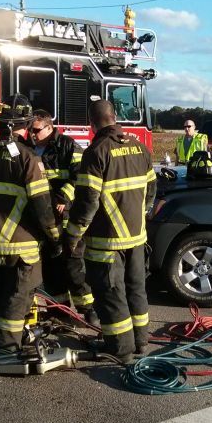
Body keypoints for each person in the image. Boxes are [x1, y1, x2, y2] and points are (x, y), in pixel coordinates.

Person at [0, 94, 60, 360]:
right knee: (15, 300)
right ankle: (5, 350)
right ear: (26, 125)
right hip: (22, 249)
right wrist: (54, 238)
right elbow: (42, 207)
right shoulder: (28, 159)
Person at [65, 100, 156, 361]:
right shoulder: (140, 147)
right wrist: (139, 217)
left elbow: (87, 201)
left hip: (107, 241)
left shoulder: (96, 152)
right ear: (115, 117)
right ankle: (140, 341)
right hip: (137, 237)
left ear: (91, 124)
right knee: (136, 288)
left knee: (111, 293)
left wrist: (73, 234)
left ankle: (119, 349)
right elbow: (151, 190)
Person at [29, 110, 98, 326]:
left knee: (73, 267)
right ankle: (60, 313)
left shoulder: (68, 146)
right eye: (31, 129)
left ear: (50, 127)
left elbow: (81, 175)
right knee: (51, 270)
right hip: (44, 219)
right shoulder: (29, 148)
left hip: (65, 216)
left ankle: (89, 311)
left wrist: (63, 198)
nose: (32, 134)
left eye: (37, 130)